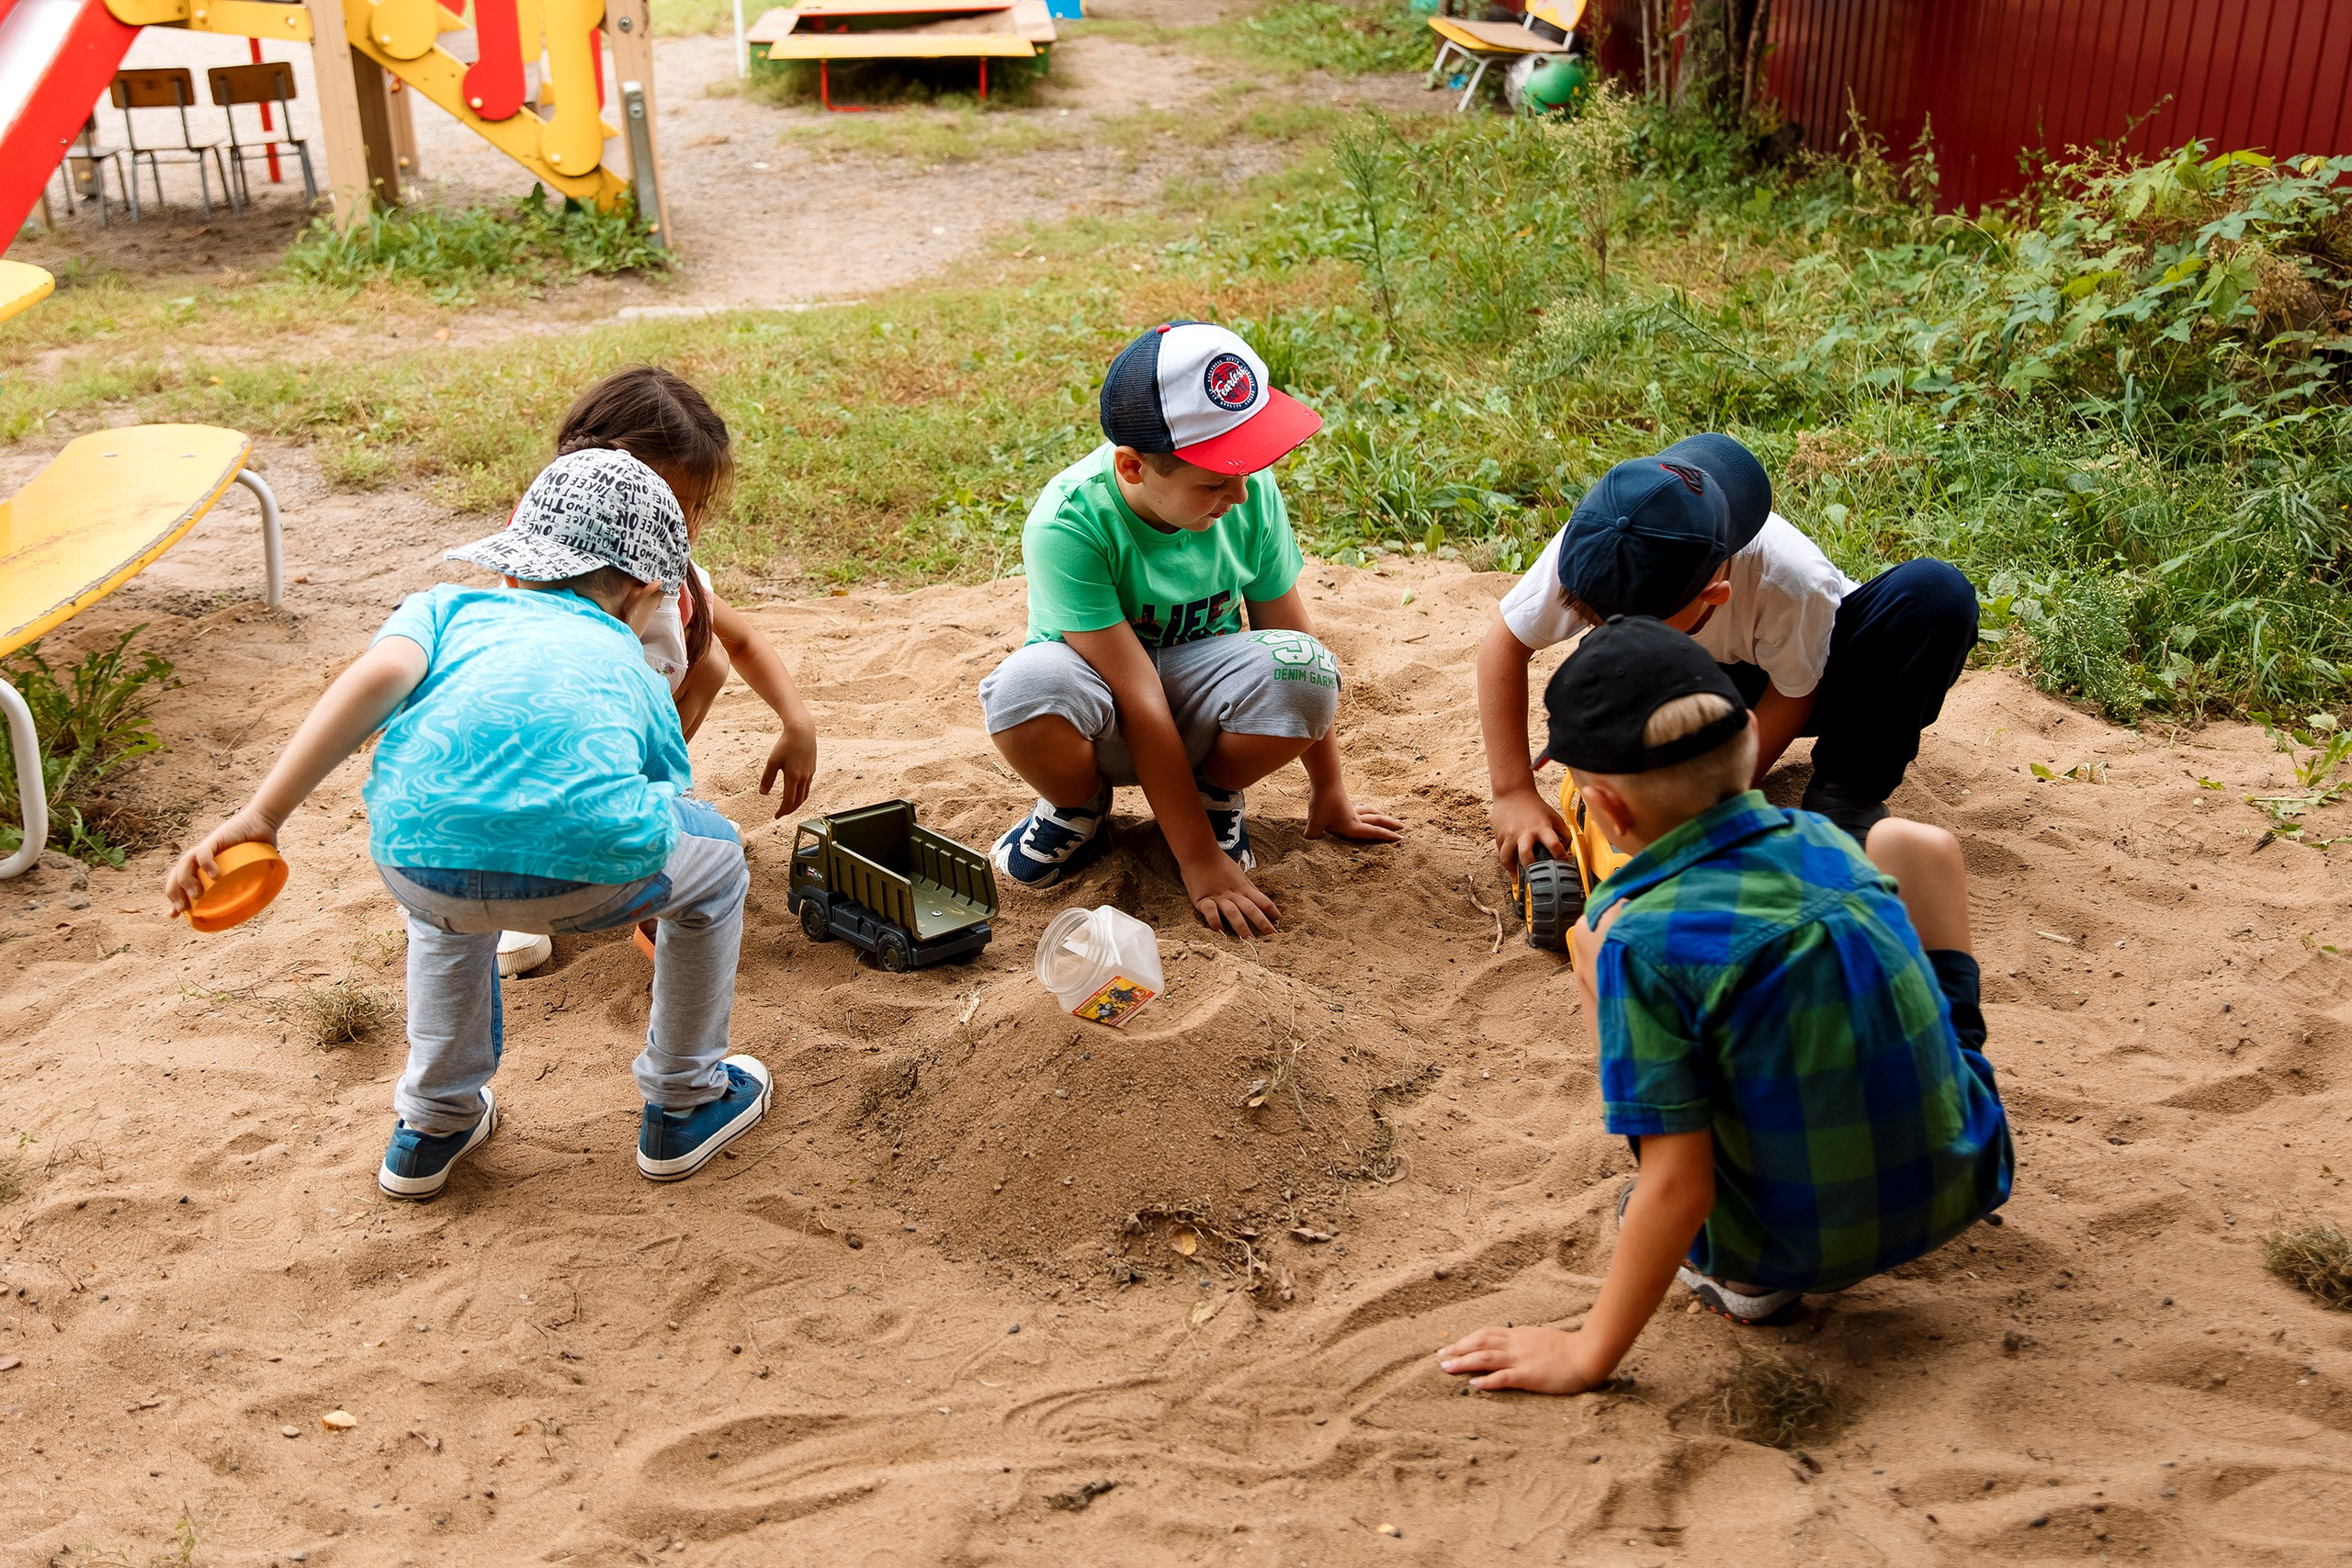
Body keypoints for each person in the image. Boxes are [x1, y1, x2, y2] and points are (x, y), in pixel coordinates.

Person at [164, 449, 773, 1201]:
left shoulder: (443, 608)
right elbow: (659, 790)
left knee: (448, 892)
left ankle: (432, 1123)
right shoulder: (626, 653)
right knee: (715, 859)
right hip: (591, 878)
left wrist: (262, 815)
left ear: (515, 565)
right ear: (646, 593)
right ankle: (684, 1101)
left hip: (419, 864)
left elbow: (375, 679)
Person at [1439, 616, 2012, 1393]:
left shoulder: (1639, 941)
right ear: (1748, 738)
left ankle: (1747, 1279)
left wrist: (1584, 1355)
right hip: (1970, 1171)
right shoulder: (1821, 839)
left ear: (1605, 808)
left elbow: (1681, 1186)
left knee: (1594, 948)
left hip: (1798, 1250)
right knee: (1918, 848)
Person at [978, 321, 1400, 935]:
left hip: (1205, 710)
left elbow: (1292, 631)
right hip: (1103, 717)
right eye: (1215, 479)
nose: (1242, 491)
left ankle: (1214, 792)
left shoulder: (1245, 492)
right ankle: (1078, 806)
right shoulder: (1068, 520)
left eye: (1246, 465)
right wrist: (1199, 860)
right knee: (1024, 688)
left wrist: (1329, 789)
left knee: (1307, 667)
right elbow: (1140, 698)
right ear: (1131, 467)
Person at [1476, 432, 1978, 862]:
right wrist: (1514, 791)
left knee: (1935, 595)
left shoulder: (1789, 578)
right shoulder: (1600, 537)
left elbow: (1793, 693)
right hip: (1685, 681)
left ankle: (1847, 793)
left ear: (1719, 590)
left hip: (1823, 678)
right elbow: (1504, 643)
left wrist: (1711, 803)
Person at [556, 366, 816, 806]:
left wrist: (798, 723)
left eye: (698, 505)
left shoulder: (673, 573)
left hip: (631, 738)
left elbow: (745, 640)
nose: (687, 524)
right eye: (671, 504)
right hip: (567, 762)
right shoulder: (565, 585)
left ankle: (658, 791)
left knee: (709, 656)